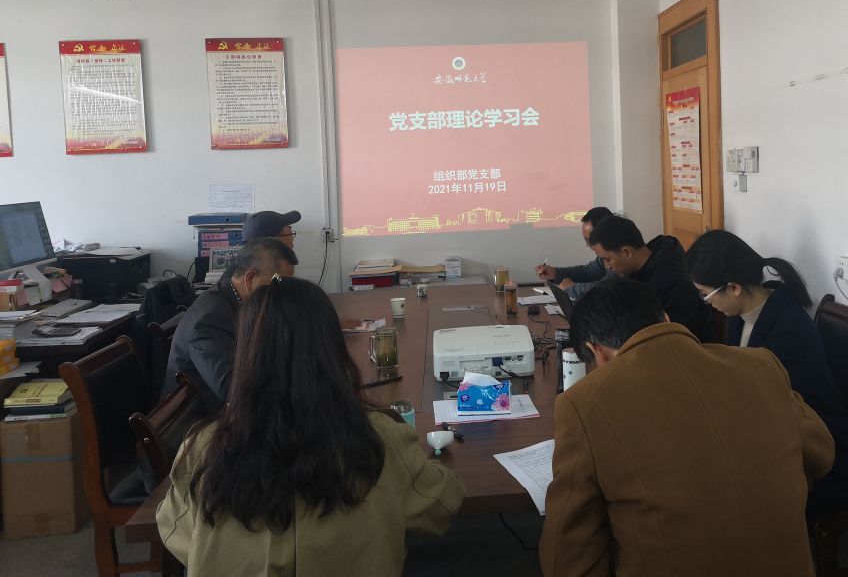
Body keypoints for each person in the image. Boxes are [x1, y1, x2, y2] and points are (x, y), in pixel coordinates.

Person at [157, 277, 464, 576]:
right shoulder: (378, 439)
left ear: (244, 355)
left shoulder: (203, 449)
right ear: (333, 350)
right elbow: (441, 505)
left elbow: (176, 531)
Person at [540, 279, 834, 577]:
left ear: (596, 352)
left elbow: (569, 557)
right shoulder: (760, 364)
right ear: (666, 319)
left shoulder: (584, 403)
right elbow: (822, 454)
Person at [685, 229, 848, 521]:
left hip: (818, 458)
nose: (707, 302)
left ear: (734, 288)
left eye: (706, 295)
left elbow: (783, 411)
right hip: (773, 437)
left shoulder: (789, 327)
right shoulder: (741, 316)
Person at [162, 237, 297, 415]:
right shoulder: (210, 320)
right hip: (198, 419)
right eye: (279, 283)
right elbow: (234, 391)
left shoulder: (236, 297)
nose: (285, 295)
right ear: (250, 279)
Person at [586, 214, 712, 341]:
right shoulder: (638, 267)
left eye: (607, 259)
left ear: (627, 252)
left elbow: (674, 337)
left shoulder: (673, 281)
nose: (607, 266)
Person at [535, 206, 614, 299]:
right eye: (587, 241)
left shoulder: (619, 257)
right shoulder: (606, 256)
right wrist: (555, 273)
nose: (591, 247)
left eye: (591, 241)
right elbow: (588, 272)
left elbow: (608, 289)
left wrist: (572, 288)